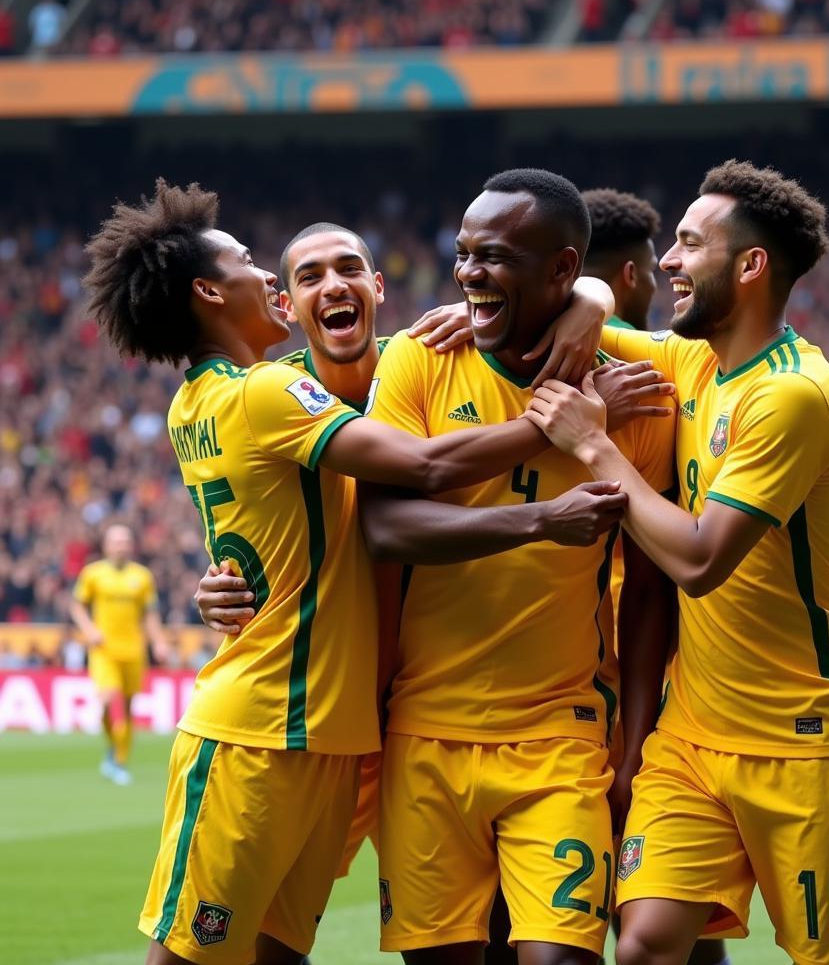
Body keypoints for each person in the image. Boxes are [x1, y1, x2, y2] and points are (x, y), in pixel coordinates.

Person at [82, 179, 618, 965]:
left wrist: (589, 302)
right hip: (292, 719)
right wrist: (558, 421)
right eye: (288, 273)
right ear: (288, 309)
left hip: (376, 724)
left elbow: (582, 283)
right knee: (208, 950)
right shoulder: (276, 392)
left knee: (282, 949)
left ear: (378, 287)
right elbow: (419, 466)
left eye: (347, 269)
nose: (288, 280)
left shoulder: (423, 364)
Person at [524, 160, 829, 965]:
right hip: (693, 739)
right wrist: (590, 295)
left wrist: (592, 444)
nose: (667, 261)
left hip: (813, 744)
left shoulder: (793, 396)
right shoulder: (693, 360)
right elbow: (579, 309)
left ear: (751, 266)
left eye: (691, 244)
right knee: (644, 946)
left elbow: (700, 561)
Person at [361, 168, 677, 965]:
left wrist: (633, 745)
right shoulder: (419, 359)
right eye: (464, 254)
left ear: (564, 271)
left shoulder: (636, 384)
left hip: (561, 733)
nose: (468, 274)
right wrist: (540, 520)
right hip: (425, 732)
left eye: (494, 257)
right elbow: (384, 522)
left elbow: (649, 594)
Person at [581, 187, 729, 965]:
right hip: (647, 684)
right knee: (663, 927)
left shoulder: (668, 371)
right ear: (634, 276)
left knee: (643, 921)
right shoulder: (665, 377)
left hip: (595, 689)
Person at [69, 523, 168, 785]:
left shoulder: (143, 576)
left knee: (126, 708)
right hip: (104, 650)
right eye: (116, 541)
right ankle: (114, 754)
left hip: (133, 650)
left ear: (131, 545)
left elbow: (151, 615)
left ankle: (117, 759)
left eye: (125, 541)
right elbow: (77, 606)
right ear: (106, 545)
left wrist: (158, 642)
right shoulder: (93, 574)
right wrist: (89, 630)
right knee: (108, 699)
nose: (121, 546)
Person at [581, 188, 661, 332]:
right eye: (651, 270)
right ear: (630, 274)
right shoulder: (639, 349)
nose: (654, 286)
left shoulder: (535, 329)